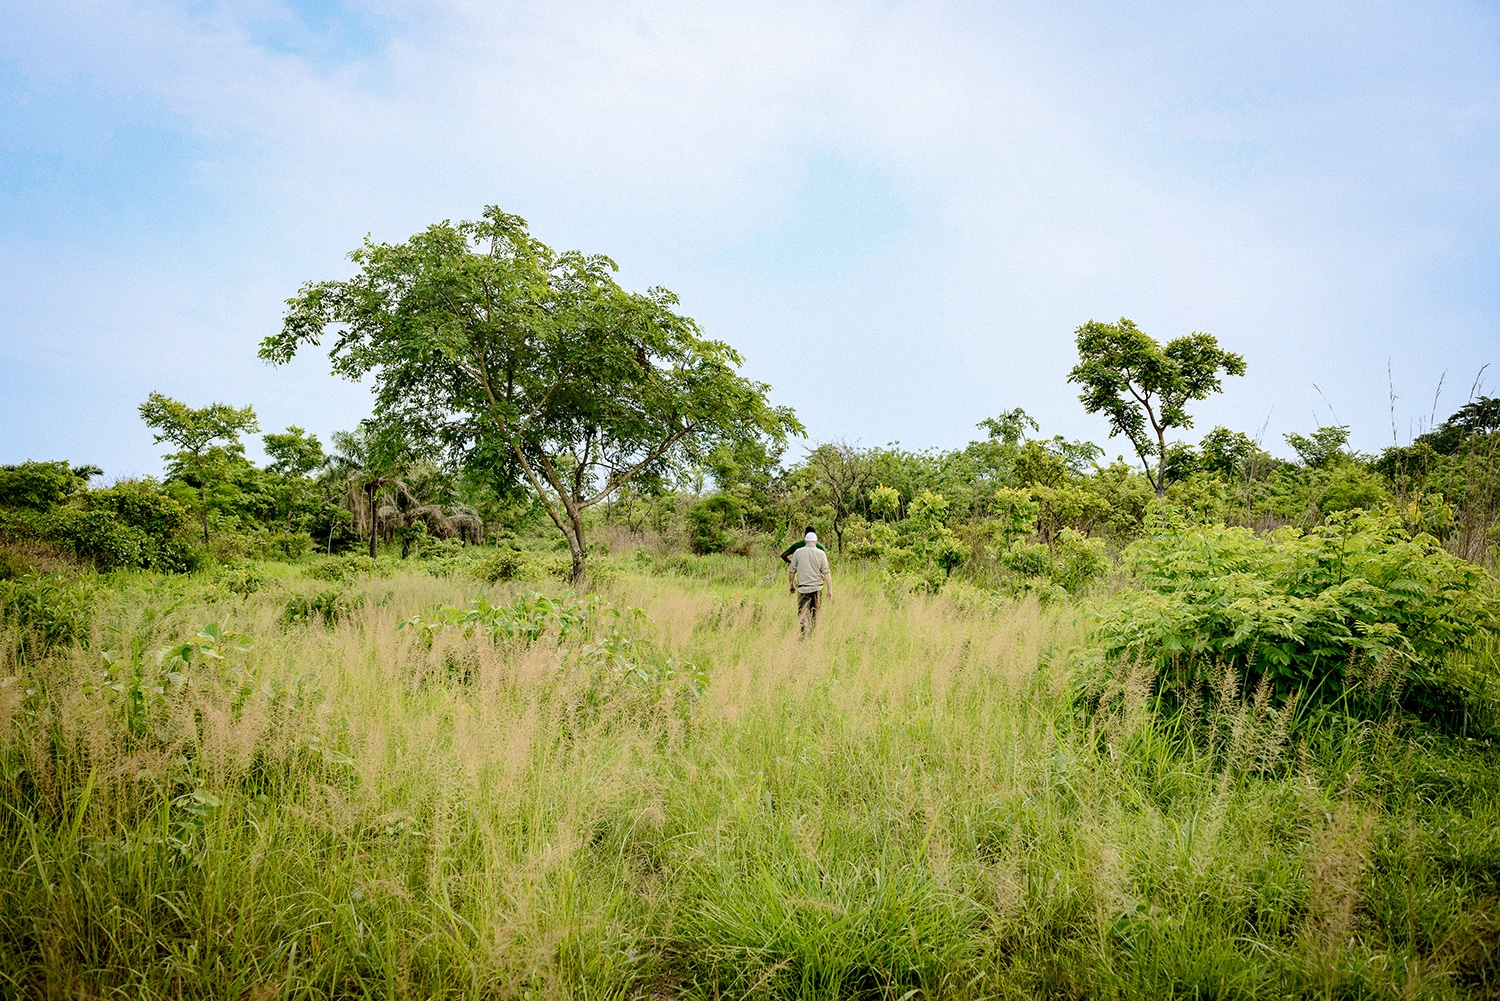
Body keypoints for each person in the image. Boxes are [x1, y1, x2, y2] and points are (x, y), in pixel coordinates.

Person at [787, 530, 832, 636]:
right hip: (817, 588)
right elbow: (826, 572)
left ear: (805, 541)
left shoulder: (798, 552)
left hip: (803, 588)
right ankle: (813, 633)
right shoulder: (821, 553)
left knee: (803, 613)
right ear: (815, 542)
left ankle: (804, 635)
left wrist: (791, 585)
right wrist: (830, 589)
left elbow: (791, 571)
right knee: (815, 612)